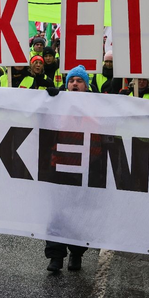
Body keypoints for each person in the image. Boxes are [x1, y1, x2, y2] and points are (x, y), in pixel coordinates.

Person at [46, 65, 90, 273]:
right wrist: (47, 99)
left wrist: (123, 100)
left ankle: (77, 253)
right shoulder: (57, 103)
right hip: (60, 166)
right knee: (57, 213)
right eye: (71, 80)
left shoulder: (98, 106)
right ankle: (55, 257)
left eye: (79, 81)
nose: (74, 83)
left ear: (86, 86)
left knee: (79, 214)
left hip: (87, 169)